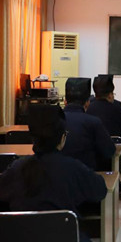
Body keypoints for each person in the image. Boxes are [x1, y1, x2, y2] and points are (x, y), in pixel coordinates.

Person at [0, 104, 107, 242]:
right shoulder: (73, 168)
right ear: (62, 139)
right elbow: (100, 191)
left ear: (33, 139)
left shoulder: (16, 168)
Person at [61, 77, 115, 171]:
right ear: (87, 103)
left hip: (58, 177)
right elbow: (109, 151)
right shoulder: (93, 122)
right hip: (87, 176)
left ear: (65, 101)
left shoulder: (54, 120)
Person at [87, 74, 121, 139]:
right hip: (113, 146)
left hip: (92, 146)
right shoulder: (117, 106)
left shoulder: (89, 107)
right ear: (109, 95)